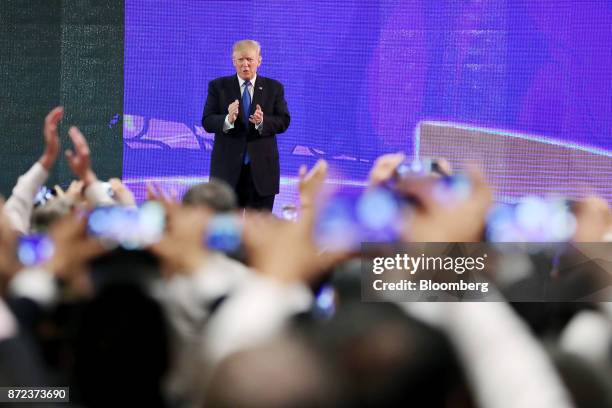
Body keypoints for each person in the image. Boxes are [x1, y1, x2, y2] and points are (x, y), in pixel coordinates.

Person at [202, 40, 290, 211]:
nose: (245, 64)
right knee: (227, 231)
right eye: (241, 60)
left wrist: (262, 122)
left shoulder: (274, 88)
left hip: (261, 173)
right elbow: (207, 120)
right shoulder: (218, 87)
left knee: (258, 232)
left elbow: (284, 120)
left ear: (259, 61)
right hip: (227, 173)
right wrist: (227, 119)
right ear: (233, 61)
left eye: (250, 59)